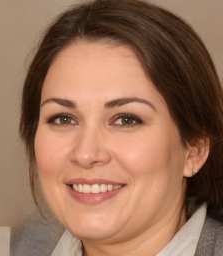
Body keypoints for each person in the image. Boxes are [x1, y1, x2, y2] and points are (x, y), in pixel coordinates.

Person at [17, 0, 223, 255]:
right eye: (63, 119)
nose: (85, 154)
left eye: (126, 119)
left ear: (194, 150)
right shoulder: (17, 245)